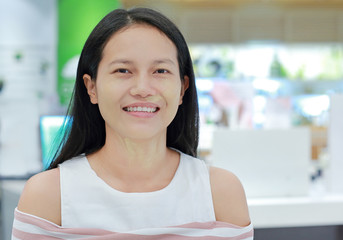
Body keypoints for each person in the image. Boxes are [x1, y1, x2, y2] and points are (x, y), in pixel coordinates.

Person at [12, 7, 253, 239]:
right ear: (91, 87)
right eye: (123, 71)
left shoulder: (220, 192)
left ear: (183, 89)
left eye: (160, 71)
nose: (142, 89)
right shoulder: (47, 196)